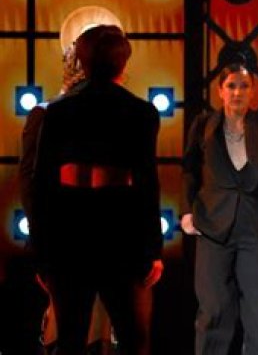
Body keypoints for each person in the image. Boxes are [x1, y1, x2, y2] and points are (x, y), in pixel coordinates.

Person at [29, 25, 163, 355]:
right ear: (123, 64)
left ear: (82, 61)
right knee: (134, 340)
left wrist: (42, 253)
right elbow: (147, 185)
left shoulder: (58, 112)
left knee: (71, 339)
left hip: (69, 238)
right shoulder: (141, 112)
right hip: (123, 239)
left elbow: (41, 186)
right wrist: (153, 249)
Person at [181, 62, 258, 355]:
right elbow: (189, 170)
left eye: (244, 86)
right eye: (231, 86)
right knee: (214, 307)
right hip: (213, 225)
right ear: (220, 90)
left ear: (253, 91)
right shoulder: (204, 125)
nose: (237, 92)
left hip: (256, 229)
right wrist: (187, 211)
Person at [19, 39, 113, 353]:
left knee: (99, 322)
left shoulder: (111, 113)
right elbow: (30, 183)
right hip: (60, 237)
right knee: (66, 320)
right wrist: (41, 239)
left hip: (101, 236)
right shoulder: (46, 113)